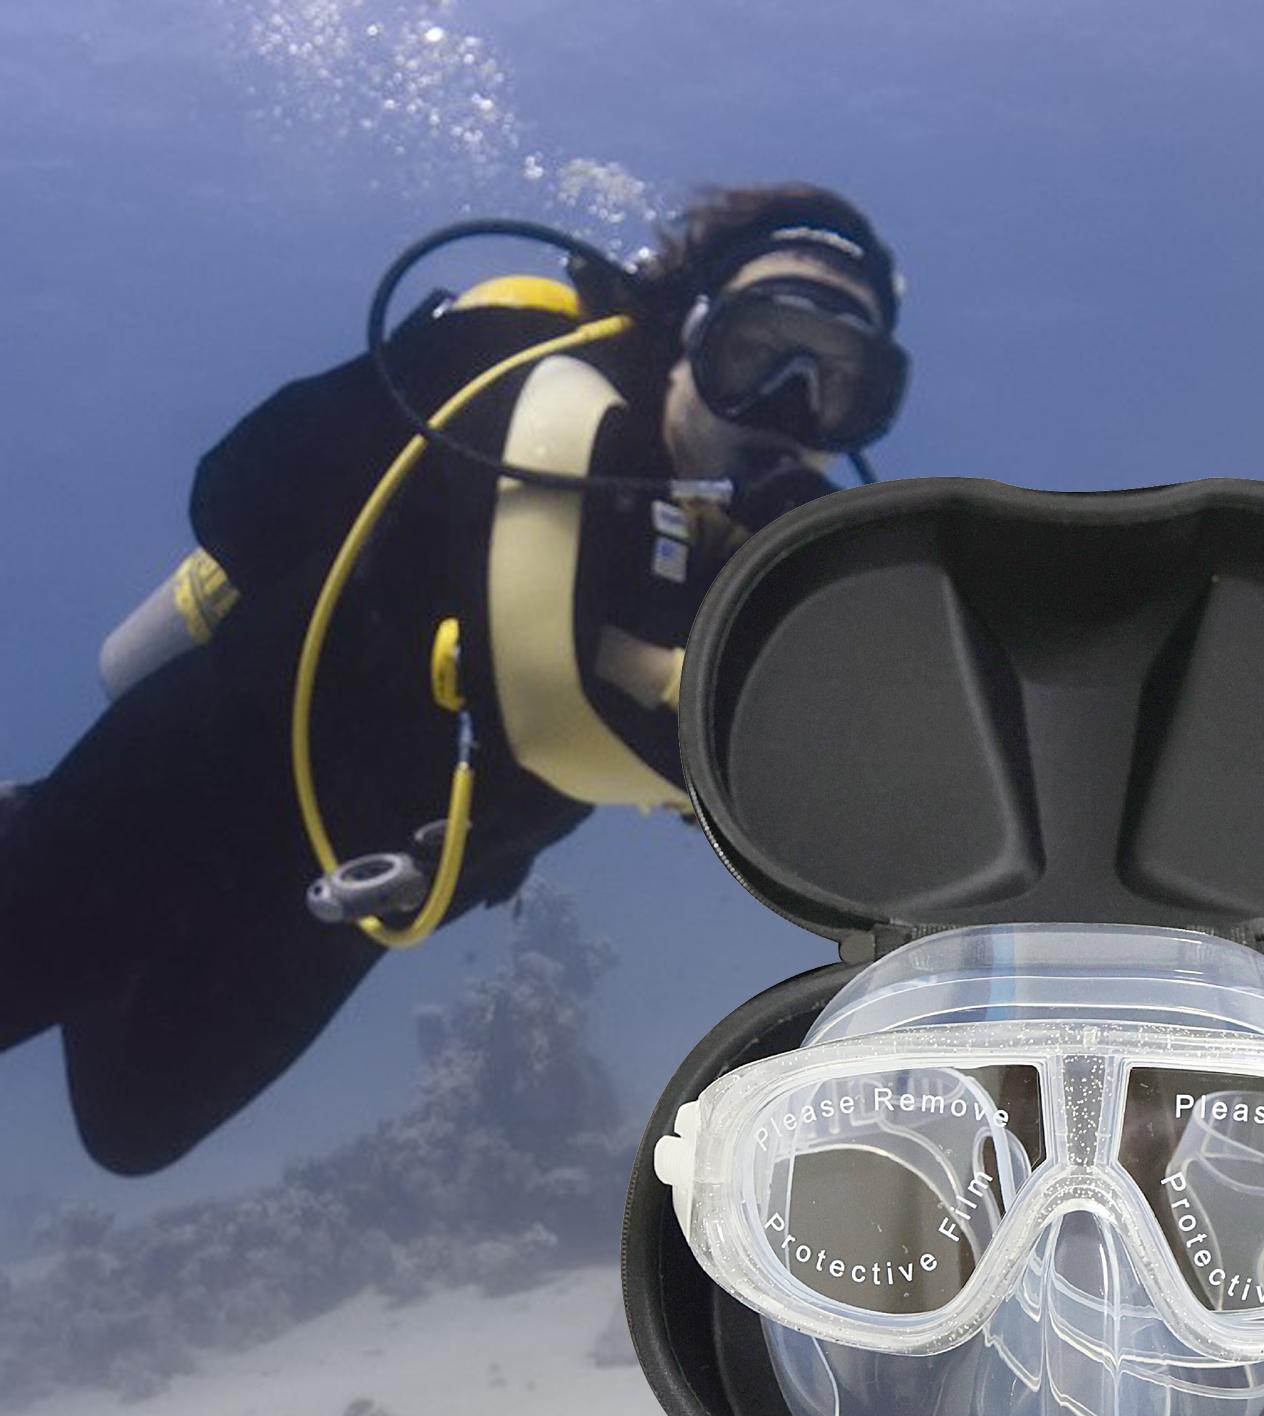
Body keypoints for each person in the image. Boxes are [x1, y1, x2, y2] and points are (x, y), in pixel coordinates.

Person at [0, 183, 909, 1175]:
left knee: (133, 1124)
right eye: (755, 350)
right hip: (207, 772)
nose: (784, 405)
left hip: (364, 886)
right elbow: (234, 498)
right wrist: (441, 368)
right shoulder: (523, 387)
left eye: (835, 383)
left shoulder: (767, 563)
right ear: (689, 333)